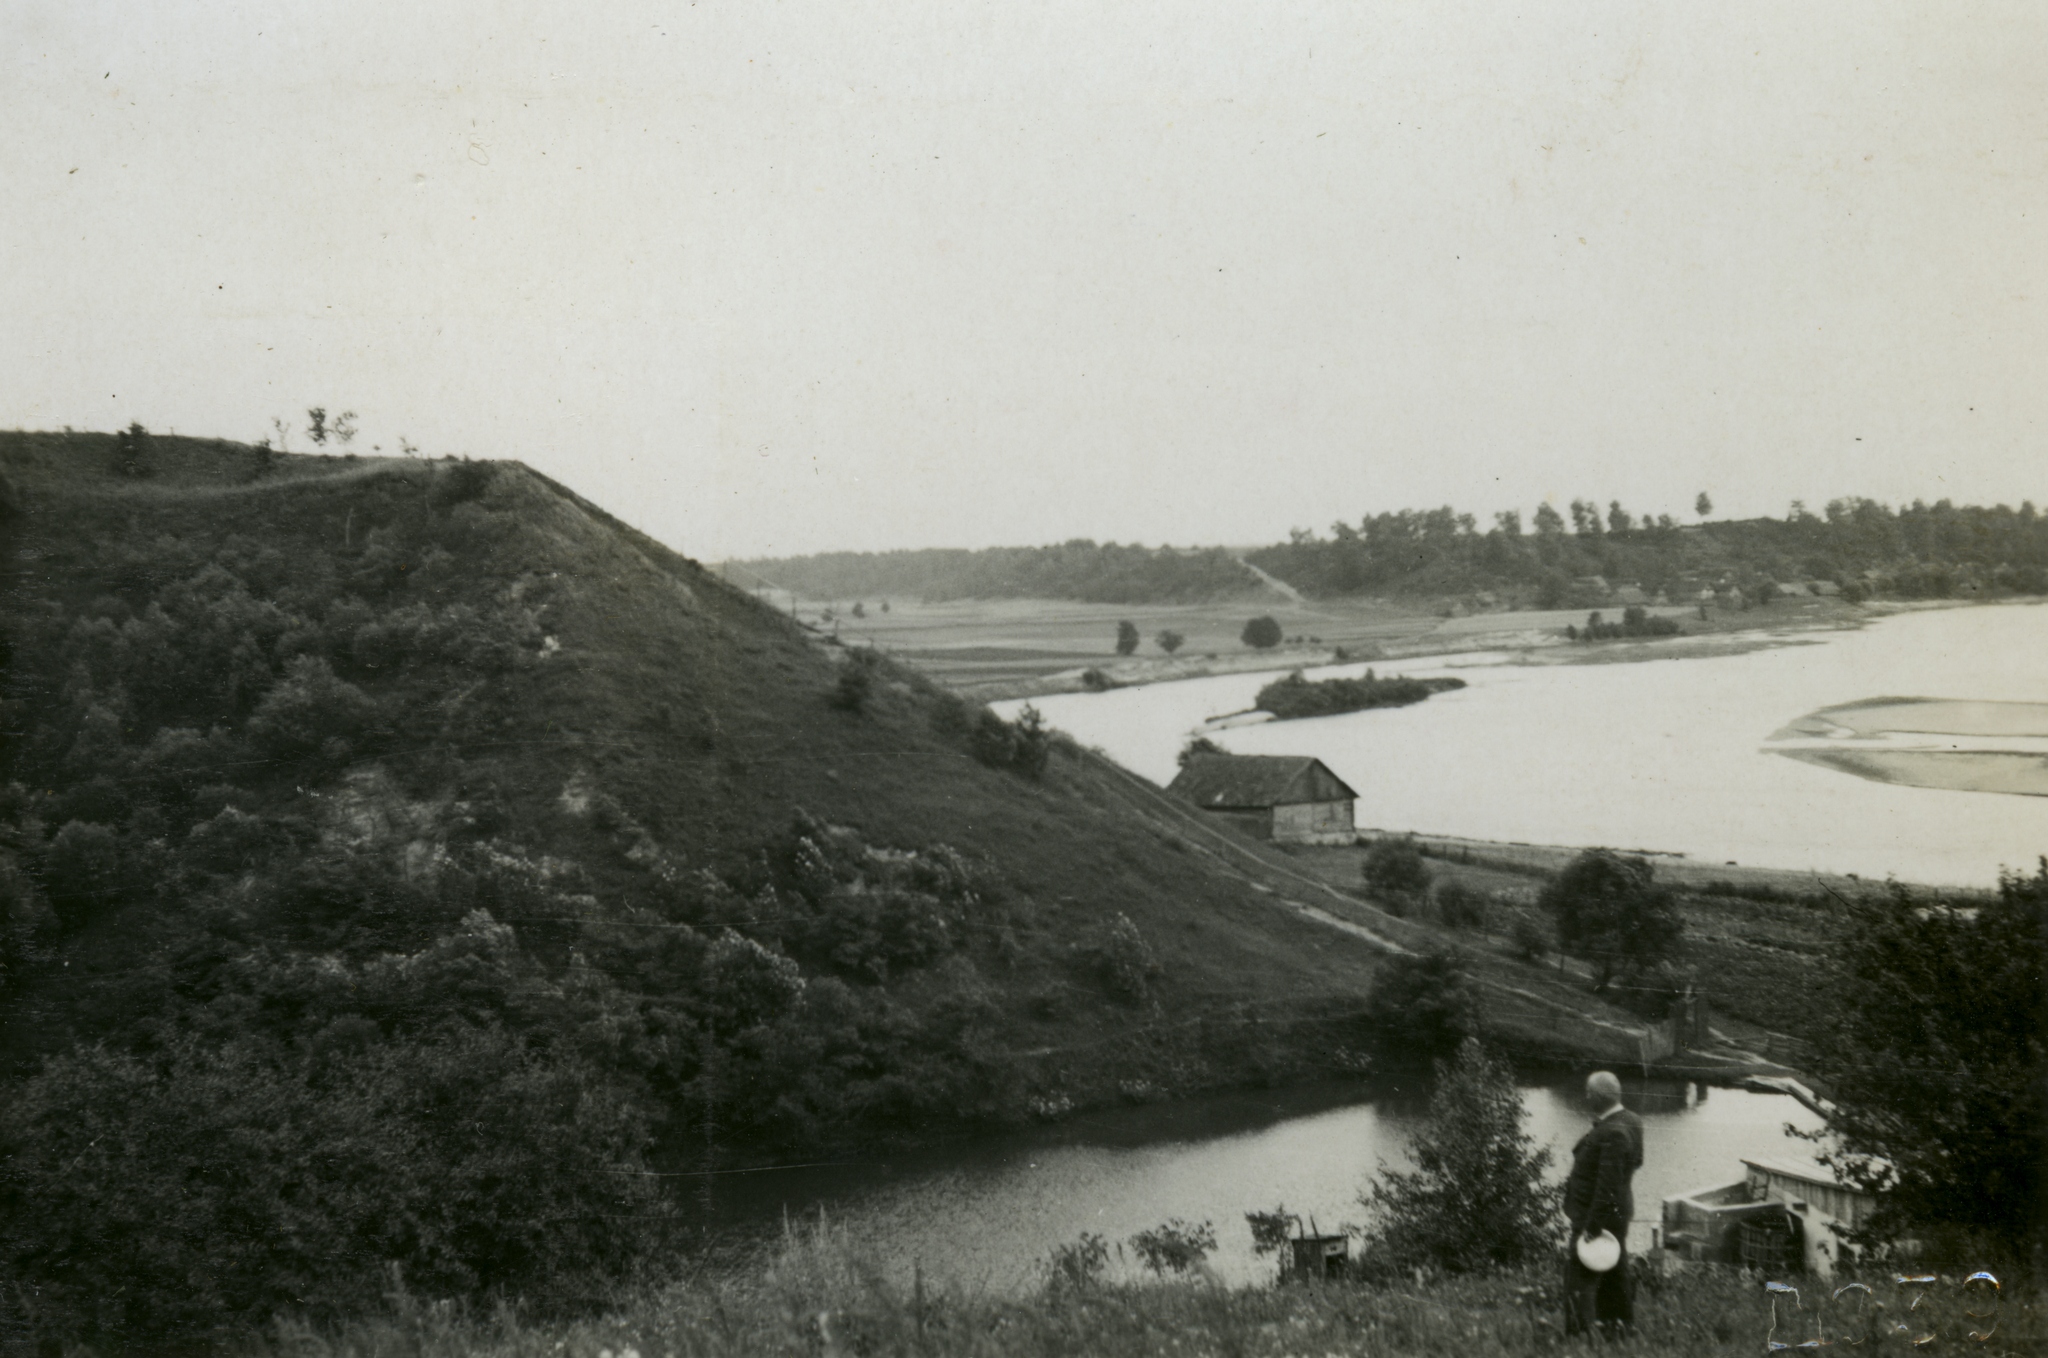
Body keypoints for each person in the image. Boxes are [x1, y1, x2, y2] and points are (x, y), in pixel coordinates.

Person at [1561, 1070, 1645, 1338]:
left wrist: (1592, 1227)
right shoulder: (1631, 1120)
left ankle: (1577, 1334)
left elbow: (1607, 1186)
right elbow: (1636, 1162)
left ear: (1597, 1097)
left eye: (1588, 1093)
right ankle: (1619, 1328)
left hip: (1597, 1216)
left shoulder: (1614, 1132)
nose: (1586, 1097)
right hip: (1616, 1213)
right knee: (1614, 1273)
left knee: (1578, 1276)